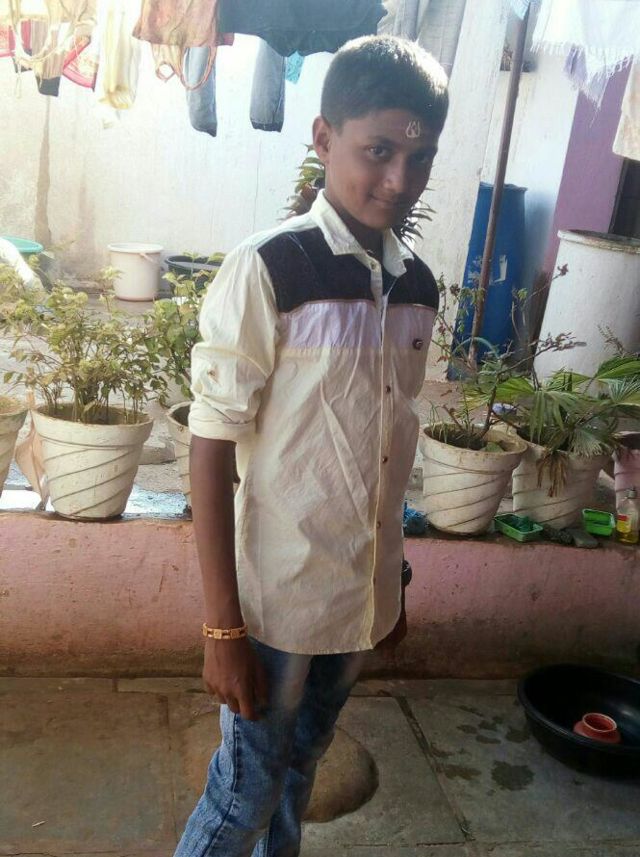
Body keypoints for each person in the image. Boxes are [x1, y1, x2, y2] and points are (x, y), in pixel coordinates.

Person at [175, 34, 449, 857]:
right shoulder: (273, 268)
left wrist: (391, 585)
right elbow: (211, 442)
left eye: (420, 158)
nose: (398, 180)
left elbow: (388, 447)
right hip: (278, 599)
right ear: (324, 138)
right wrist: (222, 628)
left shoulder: (416, 287)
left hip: (357, 596)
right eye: (378, 151)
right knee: (246, 791)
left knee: (302, 765)